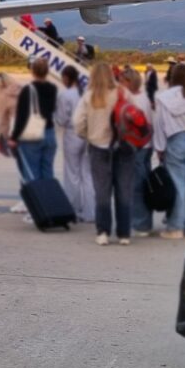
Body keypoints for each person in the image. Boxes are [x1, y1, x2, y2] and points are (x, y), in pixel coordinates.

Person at [75, 60, 128, 245]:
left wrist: (88, 135)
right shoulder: (121, 92)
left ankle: (103, 231)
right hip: (121, 147)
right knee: (123, 191)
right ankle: (124, 233)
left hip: (98, 147)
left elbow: (78, 122)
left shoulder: (89, 96)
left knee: (102, 192)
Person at [152, 63, 185, 239]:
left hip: (175, 140)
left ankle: (175, 226)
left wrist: (159, 147)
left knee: (177, 184)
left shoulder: (164, 97)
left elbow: (160, 123)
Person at [112, 68, 156, 238]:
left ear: (129, 83)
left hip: (137, 148)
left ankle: (141, 223)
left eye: (122, 81)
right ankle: (143, 221)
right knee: (143, 184)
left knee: (137, 186)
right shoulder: (144, 97)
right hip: (146, 146)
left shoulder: (133, 100)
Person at [9, 57, 59, 183]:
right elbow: (53, 108)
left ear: (33, 71)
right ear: (47, 71)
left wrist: (14, 137)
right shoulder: (53, 88)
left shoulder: (28, 90)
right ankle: (48, 200)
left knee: (31, 174)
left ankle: (36, 201)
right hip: (49, 132)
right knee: (48, 171)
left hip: (33, 134)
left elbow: (22, 116)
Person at [54, 66, 93, 222]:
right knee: (88, 175)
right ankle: (91, 212)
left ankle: (74, 209)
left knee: (72, 174)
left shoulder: (65, 95)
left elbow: (61, 119)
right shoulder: (87, 94)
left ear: (67, 78)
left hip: (72, 134)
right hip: (89, 135)